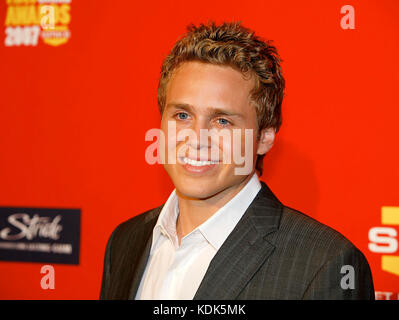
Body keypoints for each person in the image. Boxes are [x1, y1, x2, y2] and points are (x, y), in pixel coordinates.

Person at [100, 21, 374, 300]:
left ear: (264, 137)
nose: (197, 139)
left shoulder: (325, 264)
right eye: (182, 116)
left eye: (222, 121)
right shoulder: (125, 242)